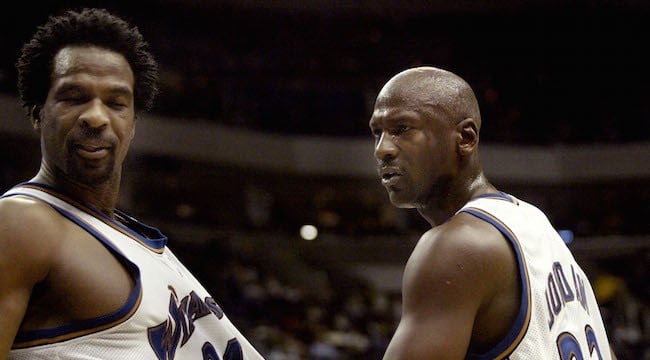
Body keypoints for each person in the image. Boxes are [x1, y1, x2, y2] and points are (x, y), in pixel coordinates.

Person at [0, 8, 264, 359]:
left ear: (133, 123)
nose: (95, 116)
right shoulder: (21, 222)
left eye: (116, 103)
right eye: (74, 97)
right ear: (37, 113)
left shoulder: (136, 241)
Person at [369, 66, 617, 359]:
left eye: (402, 129)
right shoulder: (536, 225)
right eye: (377, 132)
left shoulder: (455, 246)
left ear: (465, 138)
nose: (382, 149)